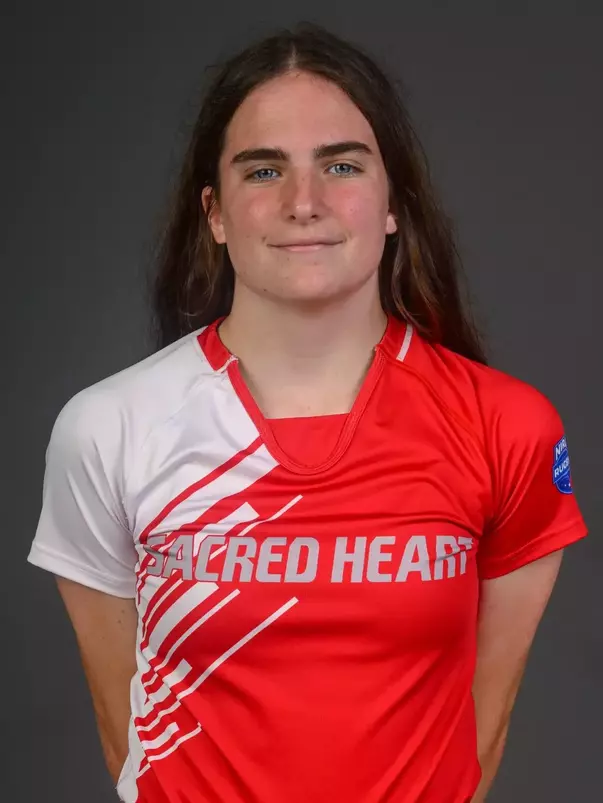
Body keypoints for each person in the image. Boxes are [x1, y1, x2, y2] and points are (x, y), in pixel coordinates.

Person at [27, 21, 587, 803]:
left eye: (342, 164)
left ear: (394, 203)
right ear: (216, 214)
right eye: (263, 170)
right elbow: (131, 729)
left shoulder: (510, 428)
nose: (304, 202)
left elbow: (478, 733)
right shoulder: (107, 428)